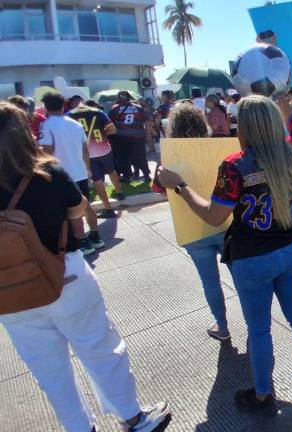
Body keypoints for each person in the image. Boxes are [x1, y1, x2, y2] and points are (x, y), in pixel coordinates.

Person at [0, 101, 171, 432]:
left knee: (49, 372)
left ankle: (79, 427)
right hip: (65, 275)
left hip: (11, 294)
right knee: (101, 349)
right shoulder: (48, 175)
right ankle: (133, 417)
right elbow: (79, 210)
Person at [157, 95, 292, 416]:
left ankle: (262, 395)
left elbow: (214, 216)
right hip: (290, 249)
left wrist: (181, 186)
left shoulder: (234, 165)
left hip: (252, 257)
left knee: (259, 329)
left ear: (245, 127)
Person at [164, 103, 232, 341]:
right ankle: (251, 318)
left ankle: (222, 326)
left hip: (193, 228)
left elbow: (163, 191)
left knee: (209, 281)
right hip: (226, 223)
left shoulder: (169, 157)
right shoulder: (220, 150)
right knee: (240, 276)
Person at [38, 92, 105, 255]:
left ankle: (83, 241)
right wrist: (87, 169)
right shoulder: (75, 125)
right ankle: (95, 237)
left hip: (62, 174)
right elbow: (85, 150)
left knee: (72, 210)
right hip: (80, 170)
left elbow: (47, 151)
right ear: (63, 106)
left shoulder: (47, 126)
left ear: (46, 107)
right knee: (86, 206)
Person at [68, 98, 125, 218]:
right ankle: (119, 192)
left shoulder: (69, 115)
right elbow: (113, 130)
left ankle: (108, 208)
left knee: (97, 180)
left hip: (87, 153)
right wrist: (101, 135)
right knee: (111, 170)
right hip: (104, 148)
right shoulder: (98, 112)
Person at [109, 91, 150, 182]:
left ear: (118, 98)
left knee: (124, 157)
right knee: (140, 156)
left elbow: (109, 123)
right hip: (138, 136)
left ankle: (127, 176)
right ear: (129, 97)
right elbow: (147, 122)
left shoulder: (115, 109)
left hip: (121, 136)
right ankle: (146, 175)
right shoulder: (138, 108)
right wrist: (147, 135)